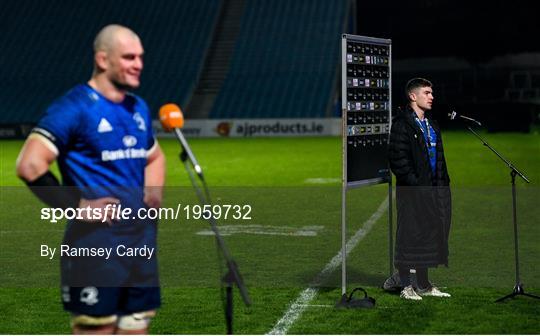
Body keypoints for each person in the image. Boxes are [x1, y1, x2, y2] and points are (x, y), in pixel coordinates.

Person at [16, 24, 166, 333]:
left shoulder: (137, 107)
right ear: (102, 59)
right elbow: (30, 165)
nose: (138, 64)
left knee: (137, 326)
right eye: (128, 57)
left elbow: (154, 156)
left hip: (141, 243)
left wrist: (152, 192)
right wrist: (79, 206)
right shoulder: (74, 107)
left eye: (140, 57)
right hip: (96, 247)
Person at [386, 78, 452, 300]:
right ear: (413, 96)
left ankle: (423, 284)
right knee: (409, 237)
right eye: (426, 92)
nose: (431, 96)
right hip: (412, 194)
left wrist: (442, 187)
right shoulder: (402, 124)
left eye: (432, 92)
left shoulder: (432, 125)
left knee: (428, 236)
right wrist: (417, 186)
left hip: (434, 192)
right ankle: (406, 286)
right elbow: (398, 161)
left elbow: (440, 161)